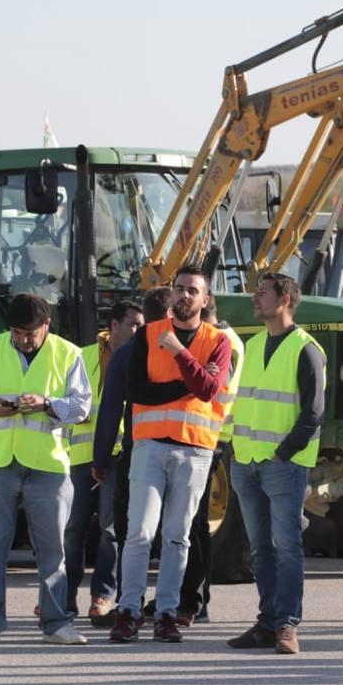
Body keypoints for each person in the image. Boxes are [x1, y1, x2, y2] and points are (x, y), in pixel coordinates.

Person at [0, 293, 91, 646]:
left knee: (53, 548)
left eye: (29, 333)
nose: (22, 339)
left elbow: (82, 406)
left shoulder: (68, 353)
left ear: (46, 326)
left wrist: (47, 404)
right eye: (17, 332)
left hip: (47, 463)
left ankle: (56, 622)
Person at [109, 267, 231, 644]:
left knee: (178, 537)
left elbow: (210, 390)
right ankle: (129, 610)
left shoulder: (218, 340)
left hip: (195, 449)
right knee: (139, 533)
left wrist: (180, 354)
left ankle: (165, 613)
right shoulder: (148, 335)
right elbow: (139, 391)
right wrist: (187, 383)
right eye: (179, 289)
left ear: (205, 299)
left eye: (192, 291)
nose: (184, 296)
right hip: (150, 445)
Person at [226, 272, 325, 656]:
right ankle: (267, 623)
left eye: (263, 293)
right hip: (246, 461)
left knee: (287, 546)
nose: (255, 298)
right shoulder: (251, 346)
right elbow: (241, 402)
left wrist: (284, 452)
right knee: (261, 549)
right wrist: (233, 449)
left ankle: (287, 624)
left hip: (283, 465)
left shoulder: (306, 349)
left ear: (285, 300)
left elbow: (314, 412)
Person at [89, 287, 174, 627]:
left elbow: (111, 412)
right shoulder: (188, 351)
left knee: (132, 533)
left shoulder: (126, 354)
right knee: (177, 534)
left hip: (140, 454)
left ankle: (130, 605)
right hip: (188, 453)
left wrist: (100, 459)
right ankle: (177, 606)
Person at [62, 300, 143, 622]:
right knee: (72, 529)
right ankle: (63, 596)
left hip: (116, 455)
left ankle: (102, 596)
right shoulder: (80, 357)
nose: (140, 330)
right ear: (114, 326)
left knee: (110, 530)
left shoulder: (138, 358)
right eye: (134, 324)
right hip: (79, 456)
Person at [176, 295, 245, 625]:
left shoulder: (221, 342)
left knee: (194, 523)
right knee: (193, 521)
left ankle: (196, 599)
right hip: (210, 437)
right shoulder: (229, 338)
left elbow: (208, 390)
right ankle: (190, 596)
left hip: (209, 437)